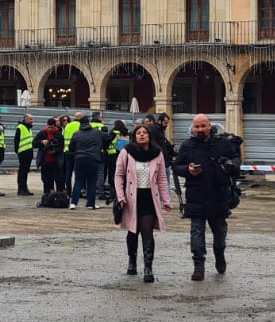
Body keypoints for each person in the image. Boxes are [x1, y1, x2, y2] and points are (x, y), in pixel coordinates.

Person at [172, 113, 240, 281]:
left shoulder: (223, 143)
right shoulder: (187, 145)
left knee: (220, 233)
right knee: (196, 233)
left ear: (210, 126)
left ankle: (219, 255)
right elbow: (176, 166)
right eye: (197, 126)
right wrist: (188, 170)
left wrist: (229, 167)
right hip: (196, 195)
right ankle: (198, 266)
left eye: (203, 126)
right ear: (193, 128)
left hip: (219, 194)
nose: (200, 129)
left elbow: (236, 161)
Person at [114, 125, 173, 283]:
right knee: (133, 232)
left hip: (149, 197)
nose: (141, 135)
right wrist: (120, 197)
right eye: (138, 133)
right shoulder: (126, 152)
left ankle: (148, 268)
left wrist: (166, 200)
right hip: (131, 197)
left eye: (144, 133)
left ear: (149, 136)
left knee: (147, 231)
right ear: (134, 136)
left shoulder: (157, 153)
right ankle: (132, 262)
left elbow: (162, 179)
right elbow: (118, 176)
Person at [68, 116, 107, 210]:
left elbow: (71, 148)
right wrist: (102, 147)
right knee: (91, 182)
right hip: (93, 159)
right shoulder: (97, 133)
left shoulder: (76, 133)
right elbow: (108, 137)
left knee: (78, 181)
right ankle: (90, 204)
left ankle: (73, 203)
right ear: (89, 122)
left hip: (79, 159)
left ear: (80, 124)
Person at [36, 117, 64, 195]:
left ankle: (59, 195)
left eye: (52, 127)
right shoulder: (42, 133)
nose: (50, 129)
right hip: (45, 161)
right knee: (46, 180)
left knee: (59, 180)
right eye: (49, 127)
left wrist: (55, 151)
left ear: (55, 126)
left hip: (56, 162)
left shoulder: (58, 135)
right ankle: (47, 195)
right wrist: (42, 142)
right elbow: (34, 143)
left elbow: (61, 147)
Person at [15, 114, 35, 196]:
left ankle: (25, 188)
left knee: (25, 172)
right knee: (22, 172)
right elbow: (16, 140)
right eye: (30, 119)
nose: (32, 121)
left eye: (32, 119)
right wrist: (17, 151)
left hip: (29, 152)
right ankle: (21, 189)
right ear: (26, 119)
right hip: (23, 152)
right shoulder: (20, 127)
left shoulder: (29, 129)